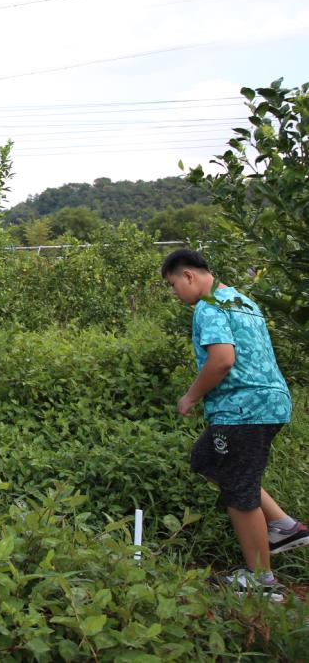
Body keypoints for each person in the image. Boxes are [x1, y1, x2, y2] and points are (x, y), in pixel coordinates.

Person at [161, 248, 306, 601]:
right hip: (269, 402)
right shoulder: (241, 299)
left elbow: (222, 360)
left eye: (172, 284)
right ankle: (284, 527)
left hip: (242, 410)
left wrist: (191, 396)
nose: (174, 292)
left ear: (189, 276)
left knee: (239, 491)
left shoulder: (209, 306)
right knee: (206, 460)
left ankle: (262, 581)